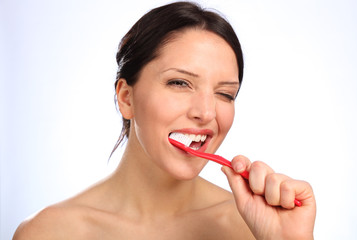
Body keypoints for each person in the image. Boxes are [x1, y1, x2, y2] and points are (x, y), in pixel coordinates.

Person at [13, 2, 316, 239]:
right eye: (180, 83)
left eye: (225, 94)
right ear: (126, 98)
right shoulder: (47, 233)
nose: (207, 113)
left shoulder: (253, 227)